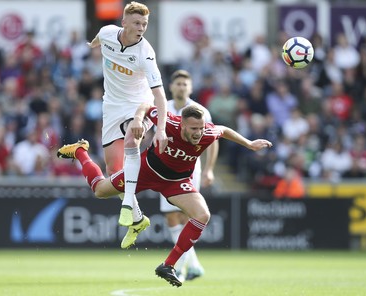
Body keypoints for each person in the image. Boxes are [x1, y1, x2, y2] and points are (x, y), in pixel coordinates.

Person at [57, 103, 272, 287]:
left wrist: (249, 144)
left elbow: (223, 130)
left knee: (202, 215)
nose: (198, 133)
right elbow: (145, 107)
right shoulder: (169, 122)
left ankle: (168, 265)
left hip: (177, 182)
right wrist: (138, 121)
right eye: (193, 128)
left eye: (200, 127)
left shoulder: (207, 132)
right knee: (100, 191)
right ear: (182, 123)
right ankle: (80, 151)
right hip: (146, 170)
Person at [87, 1, 168, 230]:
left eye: (144, 23)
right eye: (136, 23)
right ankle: (139, 218)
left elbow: (160, 96)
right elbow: (98, 39)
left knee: (133, 138)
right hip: (112, 106)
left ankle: (126, 208)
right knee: (113, 170)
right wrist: (92, 44)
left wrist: (160, 129)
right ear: (124, 23)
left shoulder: (146, 53)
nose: (141, 28)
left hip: (139, 104)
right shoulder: (107, 33)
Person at [159, 69, 219, 282]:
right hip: (166, 168)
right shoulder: (163, 106)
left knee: (187, 217)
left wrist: (210, 169)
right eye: (178, 84)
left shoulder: (200, 110)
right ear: (171, 87)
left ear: (190, 88)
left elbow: (213, 139)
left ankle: (181, 268)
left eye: (185, 84)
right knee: (171, 217)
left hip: (189, 168)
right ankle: (194, 265)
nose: (181, 87)